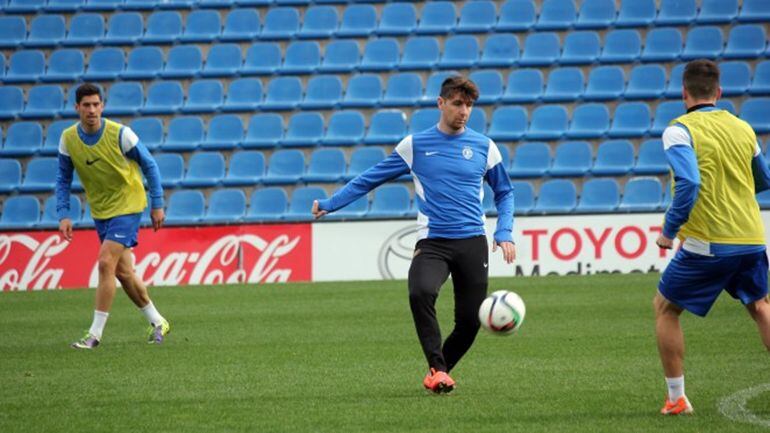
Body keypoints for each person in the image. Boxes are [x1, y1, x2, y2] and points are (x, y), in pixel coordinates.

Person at [312, 76, 516, 393]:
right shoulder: (415, 145)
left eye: (470, 105)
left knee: (470, 322)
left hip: (472, 242)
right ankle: (437, 370)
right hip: (433, 242)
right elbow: (370, 179)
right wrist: (331, 203)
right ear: (441, 103)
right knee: (420, 291)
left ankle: (438, 372)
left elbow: (504, 192)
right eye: (458, 104)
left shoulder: (484, 147)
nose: (464, 111)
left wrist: (504, 231)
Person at [654, 59, 770, 414]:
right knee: (761, 307)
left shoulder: (679, 130)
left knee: (665, 308)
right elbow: (763, 178)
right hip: (751, 236)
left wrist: (668, 232)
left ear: (683, 93)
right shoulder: (743, 128)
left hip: (708, 241)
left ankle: (676, 399)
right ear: (719, 93)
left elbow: (689, 182)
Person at [56, 83, 171, 349]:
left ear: (102, 106)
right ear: (77, 108)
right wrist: (63, 214)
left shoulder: (121, 134)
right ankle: (158, 322)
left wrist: (157, 203)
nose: (92, 110)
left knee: (106, 262)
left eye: (96, 104)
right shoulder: (68, 139)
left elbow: (150, 165)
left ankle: (94, 335)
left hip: (129, 204)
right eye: (86, 105)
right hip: (101, 210)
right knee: (124, 273)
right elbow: (63, 178)